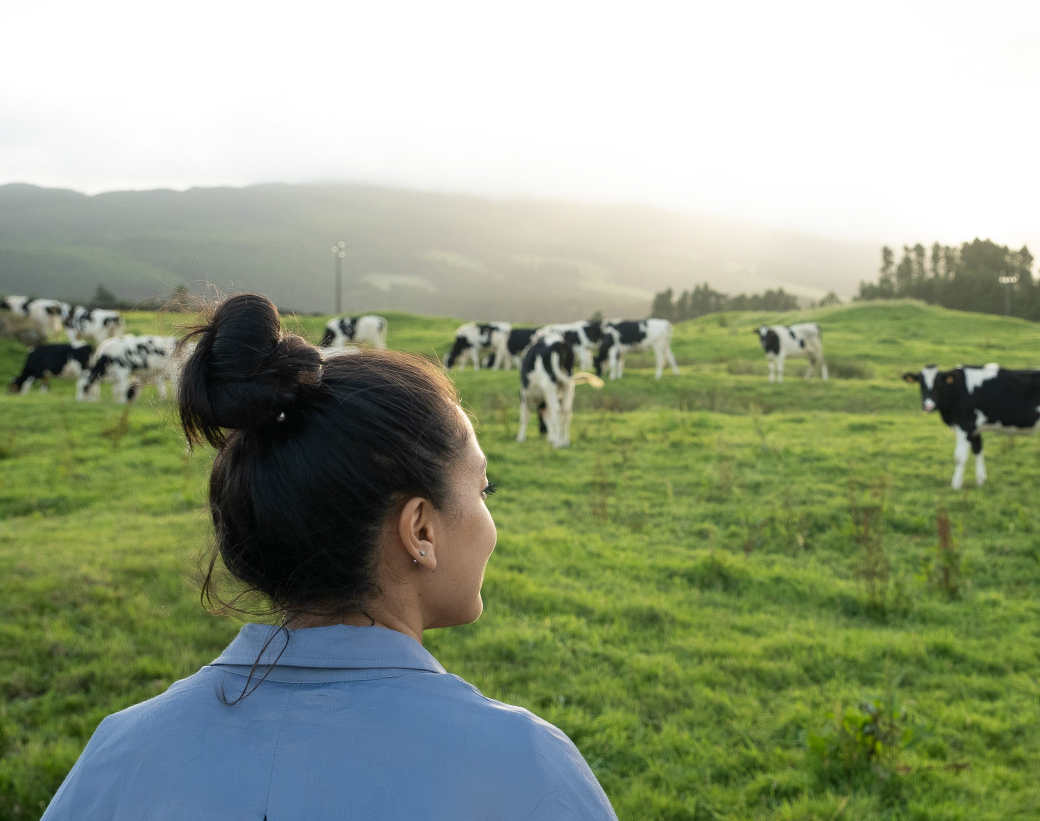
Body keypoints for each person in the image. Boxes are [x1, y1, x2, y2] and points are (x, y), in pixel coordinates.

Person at [42, 293, 616, 820]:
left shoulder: (115, 757)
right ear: (420, 529)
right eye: (484, 490)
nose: (491, 521)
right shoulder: (525, 770)